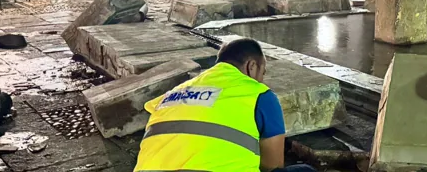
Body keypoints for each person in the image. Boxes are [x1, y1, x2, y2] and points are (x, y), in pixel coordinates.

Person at [135, 38, 317, 172]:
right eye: (263, 72)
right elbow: (272, 166)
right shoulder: (259, 95)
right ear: (251, 67)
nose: (262, 79)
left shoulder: (173, 93)